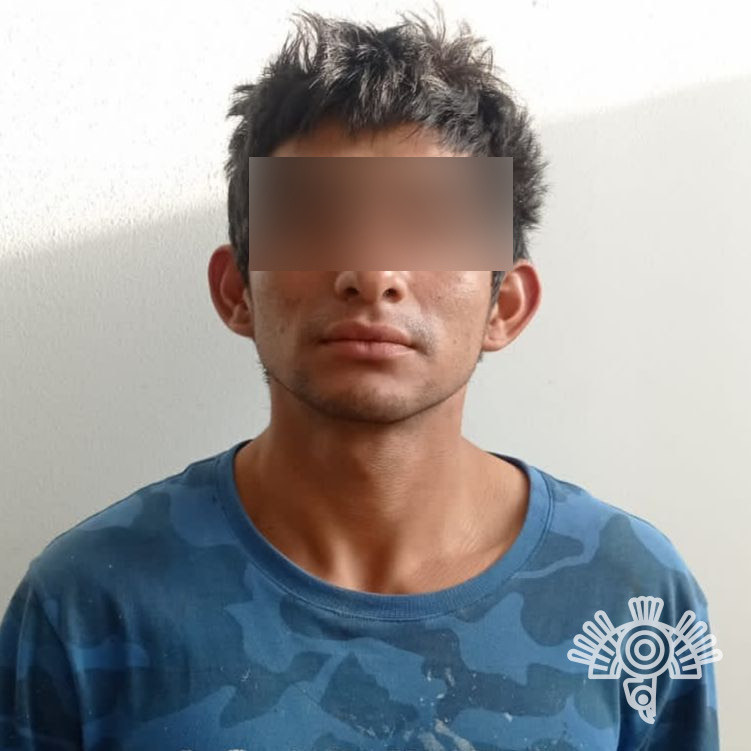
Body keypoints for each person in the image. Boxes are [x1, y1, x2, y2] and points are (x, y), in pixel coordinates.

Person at [0, 8, 720, 750]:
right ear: (236, 290)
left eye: (429, 224)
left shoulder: (634, 593)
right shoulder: (89, 601)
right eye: (314, 219)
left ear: (504, 305)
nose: (372, 272)